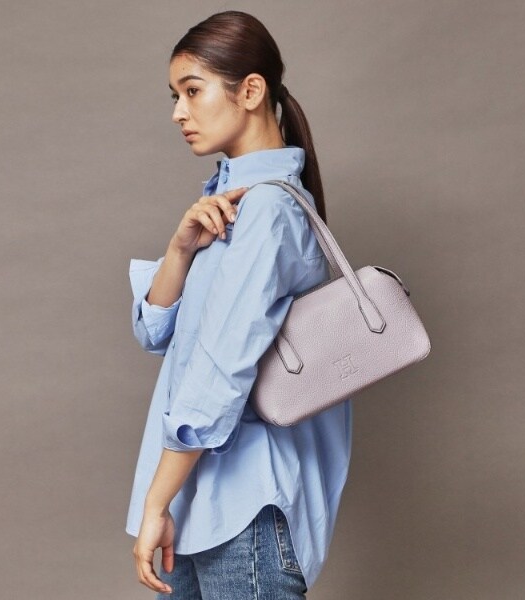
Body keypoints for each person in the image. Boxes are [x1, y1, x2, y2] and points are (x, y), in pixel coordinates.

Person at [126, 10, 352, 599]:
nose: (178, 112)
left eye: (192, 91)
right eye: (175, 95)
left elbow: (219, 374)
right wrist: (180, 250)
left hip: (245, 509)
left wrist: (156, 501)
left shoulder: (270, 211)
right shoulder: (229, 204)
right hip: (199, 501)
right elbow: (155, 334)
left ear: (250, 91)